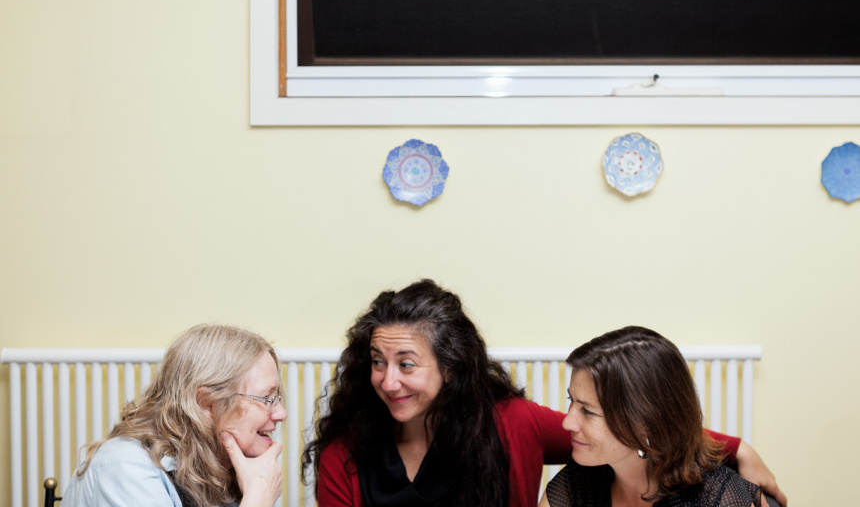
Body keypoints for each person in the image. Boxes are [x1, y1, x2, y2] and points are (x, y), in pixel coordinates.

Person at [302, 280, 784, 507]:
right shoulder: (346, 454)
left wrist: (737, 448)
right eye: (378, 362)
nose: (387, 380)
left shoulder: (513, 422)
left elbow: (630, 426)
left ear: (450, 367)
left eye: (406, 364)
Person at [540, 326, 773, 507]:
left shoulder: (718, 498)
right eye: (571, 400)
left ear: (645, 423)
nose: (567, 422)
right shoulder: (578, 484)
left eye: (588, 411)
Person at [62, 324, 285, 507]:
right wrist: (258, 499)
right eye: (266, 398)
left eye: (277, 398)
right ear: (206, 403)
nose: (281, 413)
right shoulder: (128, 469)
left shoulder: (225, 465)